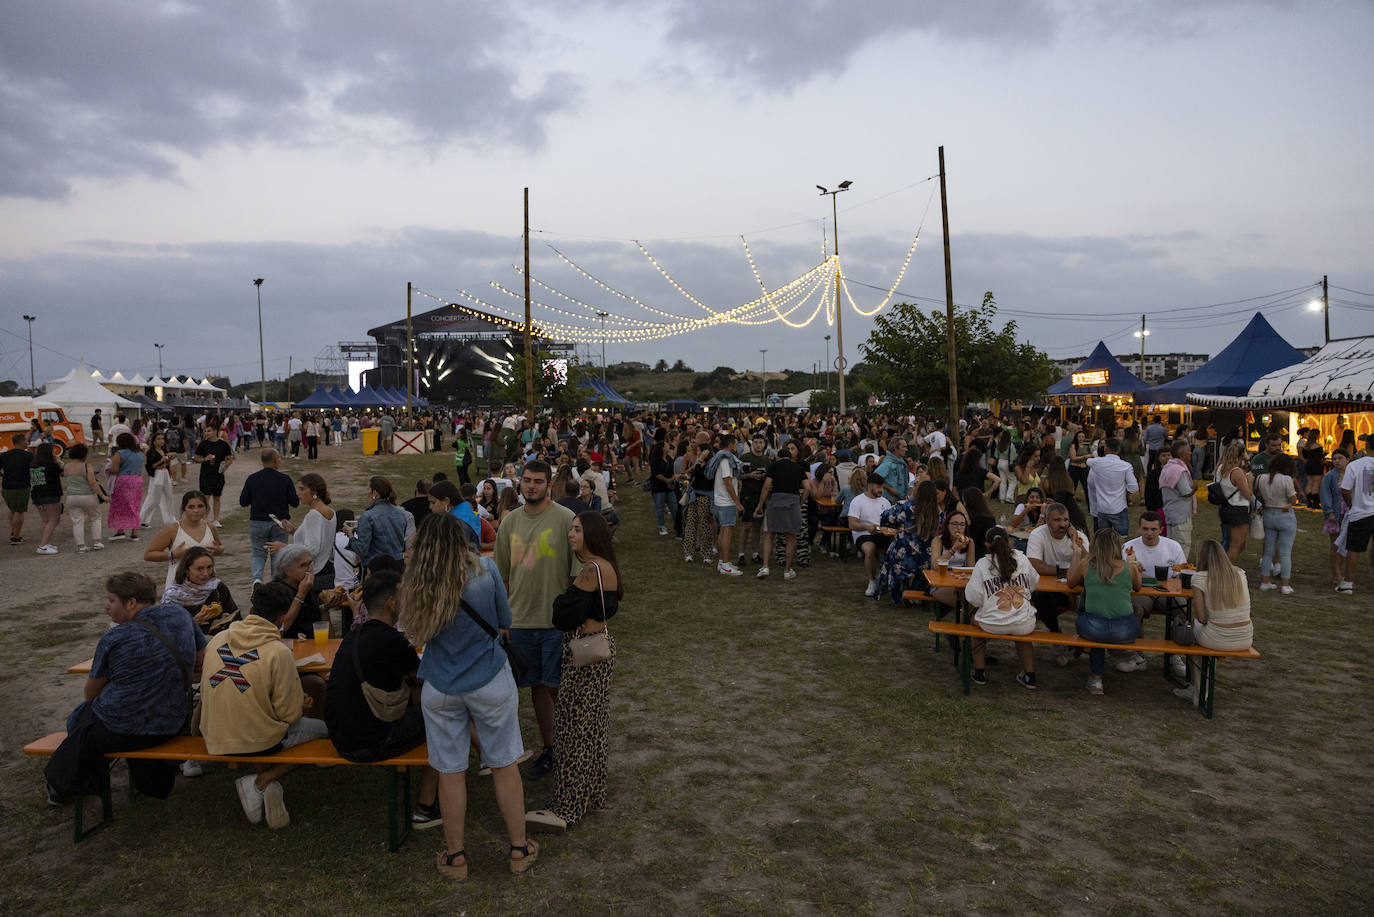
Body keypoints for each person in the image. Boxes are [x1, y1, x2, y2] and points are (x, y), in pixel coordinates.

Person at [405, 512, 539, 879]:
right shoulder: (484, 571)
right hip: (490, 678)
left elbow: (414, 632)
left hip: (440, 683)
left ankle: (456, 857)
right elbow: (505, 620)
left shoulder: (418, 580)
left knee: (450, 770)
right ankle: (518, 848)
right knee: (504, 763)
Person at [44, 572, 206, 805]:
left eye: (111, 600)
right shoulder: (180, 615)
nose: (106, 607)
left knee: (80, 719)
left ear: (131, 603)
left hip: (122, 731)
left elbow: (91, 695)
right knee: (94, 719)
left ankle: (62, 787)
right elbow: (201, 657)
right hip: (172, 722)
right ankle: (146, 778)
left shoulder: (115, 637)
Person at [200, 581, 330, 829]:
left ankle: (267, 786)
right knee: (324, 734)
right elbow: (289, 715)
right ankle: (262, 781)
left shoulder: (218, 640)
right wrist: (301, 703)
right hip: (257, 740)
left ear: (251, 610)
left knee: (261, 722)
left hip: (214, 734)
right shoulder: (277, 651)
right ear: (282, 618)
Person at [526, 511, 621, 833]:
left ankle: (567, 806)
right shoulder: (607, 567)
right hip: (598, 647)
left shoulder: (590, 570)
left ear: (591, 534)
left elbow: (561, 616)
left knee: (572, 728)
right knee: (591, 726)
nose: (571, 534)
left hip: (583, 652)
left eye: (577, 530)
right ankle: (591, 793)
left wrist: (563, 601)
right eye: (571, 529)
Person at [325, 570, 441, 826]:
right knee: (446, 719)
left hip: (341, 737)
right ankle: (426, 805)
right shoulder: (392, 641)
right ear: (391, 602)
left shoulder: (353, 636)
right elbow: (426, 677)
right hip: (370, 742)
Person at [495, 459, 577, 782]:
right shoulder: (509, 524)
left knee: (560, 689)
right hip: (520, 623)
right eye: (526, 480)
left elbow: (576, 575)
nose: (531, 486)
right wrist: (504, 619)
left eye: (538, 481)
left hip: (556, 623)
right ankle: (550, 748)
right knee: (537, 689)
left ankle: (573, 750)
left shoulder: (565, 519)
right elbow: (502, 578)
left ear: (549, 484)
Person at [1174, 540, 1253, 703]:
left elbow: (1201, 618)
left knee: (1190, 637)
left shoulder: (1200, 578)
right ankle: (1200, 688)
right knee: (1203, 636)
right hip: (1245, 637)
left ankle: (1198, 692)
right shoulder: (1240, 573)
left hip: (1217, 638)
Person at [1068, 527, 1142, 696]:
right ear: (1118, 546)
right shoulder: (1129, 567)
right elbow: (1138, 587)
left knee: (1093, 623)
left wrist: (1076, 553)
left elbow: (1070, 582)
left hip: (1094, 628)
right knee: (1105, 623)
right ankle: (1124, 655)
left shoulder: (1087, 564)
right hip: (1126, 629)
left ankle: (1096, 679)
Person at [964, 526, 1040, 689]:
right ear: (1009, 542)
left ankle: (979, 672)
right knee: (1022, 626)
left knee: (973, 622)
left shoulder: (983, 564)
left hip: (992, 624)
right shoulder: (1023, 559)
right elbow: (1034, 583)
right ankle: (1030, 676)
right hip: (1023, 624)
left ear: (986, 544)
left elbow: (973, 597)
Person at [1119, 510, 1189, 677]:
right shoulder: (1128, 547)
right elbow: (1121, 574)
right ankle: (1138, 656)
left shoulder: (1173, 546)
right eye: (1145, 529)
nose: (1149, 533)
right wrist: (1133, 570)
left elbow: (1182, 573)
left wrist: (1179, 575)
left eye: (1153, 529)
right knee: (1135, 609)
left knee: (1182, 611)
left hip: (1167, 591)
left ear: (1161, 529)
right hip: (1140, 590)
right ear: (1139, 528)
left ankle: (1175, 656)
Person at [1026, 502, 1090, 639]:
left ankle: (1085, 640)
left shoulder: (1079, 536)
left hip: (1078, 589)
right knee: (1039, 597)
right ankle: (1056, 634)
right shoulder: (1038, 534)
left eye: (1066, 520)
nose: (1063, 524)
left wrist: (1076, 543)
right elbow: (1035, 565)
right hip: (1052, 590)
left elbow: (1091, 565)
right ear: (1047, 521)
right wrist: (1067, 572)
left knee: (1092, 598)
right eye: (1057, 520)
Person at [237, 448, 298, 584]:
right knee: (278, 554)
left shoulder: (252, 479)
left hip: (257, 522)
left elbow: (243, 502)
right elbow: (295, 502)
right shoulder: (285, 479)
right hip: (280, 523)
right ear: (276, 460)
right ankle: (275, 582)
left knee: (258, 553)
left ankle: (257, 579)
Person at [144, 491, 223, 592]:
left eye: (200, 506)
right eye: (191, 507)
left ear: (206, 508)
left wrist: (219, 550)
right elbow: (148, 555)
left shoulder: (211, 528)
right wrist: (172, 554)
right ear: (184, 509)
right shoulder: (172, 530)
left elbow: (219, 547)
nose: (196, 510)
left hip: (207, 583)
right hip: (180, 586)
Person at [270, 472, 336, 591]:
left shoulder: (314, 515)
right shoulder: (330, 511)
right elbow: (320, 538)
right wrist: (294, 531)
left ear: (314, 491)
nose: (298, 493)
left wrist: (284, 548)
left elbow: (313, 548)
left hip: (315, 570)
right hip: (327, 567)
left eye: (302, 489)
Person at [753, 440, 805, 580]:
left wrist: (760, 504)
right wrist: (801, 501)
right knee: (791, 537)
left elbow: (766, 486)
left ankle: (765, 566)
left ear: (779, 457)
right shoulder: (798, 468)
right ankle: (787, 570)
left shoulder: (774, 466)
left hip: (776, 500)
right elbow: (808, 487)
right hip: (793, 502)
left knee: (769, 534)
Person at [162, 546, 239, 635]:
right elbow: (166, 631)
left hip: (222, 642)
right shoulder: (173, 597)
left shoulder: (218, 588)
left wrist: (227, 618)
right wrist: (192, 622)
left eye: (209, 567)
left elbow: (236, 615)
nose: (206, 573)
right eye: (200, 569)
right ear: (187, 570)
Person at [1255, 453, 1300, 594]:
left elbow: (1258, 494)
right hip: (1285, 515)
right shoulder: (1286, 479)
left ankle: (1265, 582)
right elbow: (1293, 500)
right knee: (1285, 553)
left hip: (1269, 514)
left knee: (1268, 551)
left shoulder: (1261, 478)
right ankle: (1285, 585)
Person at [1337, 434, 1374, 595]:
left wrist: (1351, 504)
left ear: (1366, 445)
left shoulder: (1355, 465)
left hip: (1360, 512)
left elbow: (1345, 490)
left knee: (1353, 548)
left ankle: (1348, 582)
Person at [349, 476, 412, 568]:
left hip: (377, 566)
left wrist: (350, 535)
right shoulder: (401, 512)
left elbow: (362, 550)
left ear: (375, 493)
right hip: (398, 565)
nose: (367, 492)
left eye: (368, 489)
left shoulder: (368, 516)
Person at [705, 434, 746, 576]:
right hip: (726, 501)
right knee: (727, 532)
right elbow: (727, 482)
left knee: (723, 531)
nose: (737, 447)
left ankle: (723, 562)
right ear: (730, 445)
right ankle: (725, 565)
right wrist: (737, 502)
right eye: (736, 444)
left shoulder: (720, 458)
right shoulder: (726, 459)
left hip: (719, 500)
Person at [848, 472, 893, 598]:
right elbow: (852, 524)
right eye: (878, 487)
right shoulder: (857, 501)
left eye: (882, 487)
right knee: (870, 549)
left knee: (898, 545)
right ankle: (872, 581)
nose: (881, 490)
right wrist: (867, 527)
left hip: (882, 533)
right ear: (870, 486)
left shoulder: (885, 501)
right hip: (863, 533)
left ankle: (890, 578)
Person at [1086, 437, 1138, 536]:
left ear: (1105, 448)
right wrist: (1124, 493)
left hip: (1102, 508)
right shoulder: (1125, 466)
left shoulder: (1096, 462)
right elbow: (1134, 488)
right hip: (1119, 506)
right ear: (1119, 449)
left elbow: (1088, 461)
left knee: (1104, 539)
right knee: (1122, 539)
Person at [1215, 441, 1254, 564]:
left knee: (1229, 542)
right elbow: (1247, 495)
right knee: (1236, 545)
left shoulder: (1221, 468)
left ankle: (1221, 566)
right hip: (1238, 510)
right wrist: (1250, 481)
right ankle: (1226, 571)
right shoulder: (1237, 472)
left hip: (1225, 508)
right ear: (1242, 454)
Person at [735, 434, 770, 567]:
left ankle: (755, 553)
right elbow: (737, 475)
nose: (758, 445)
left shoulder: (767, 460)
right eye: (755, 442)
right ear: (752, 444)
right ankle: (741, 554)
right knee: (746, 526)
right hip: (747, 495)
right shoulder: (744, 458)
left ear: (764, 444)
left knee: (757, 526)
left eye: (761, 442)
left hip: (760, 497)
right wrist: (750, 475)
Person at [62, 443, 105, 552]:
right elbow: (92, 483)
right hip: (88, 495)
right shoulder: (86, 466)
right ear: (84, 454)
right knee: (95, 517)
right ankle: (97, 542)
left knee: (77, 521)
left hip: (71, 497)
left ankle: (81, 546)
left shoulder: (66, 467)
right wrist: (103, 496)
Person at [1158, 440, 1196, 557]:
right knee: (1182, 546)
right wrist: (1194, 488)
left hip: (1171, 511)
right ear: (1182, 454)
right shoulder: (1179, 470)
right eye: (1189, 451)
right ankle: (1178, 572)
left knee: (1172, 547)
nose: (1191, 454)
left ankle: (1172, 571)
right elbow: (1186, 492)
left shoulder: (1168, 467)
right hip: (1181, 515)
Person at [106, 432, 146, 541]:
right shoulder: (140, 454)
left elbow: (114, 470)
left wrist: (108, 468)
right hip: (137, 480)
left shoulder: (120, 453)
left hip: (123, 481)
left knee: (120, 506)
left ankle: (120, 530)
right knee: (134, 505)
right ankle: (134, 533)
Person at [193, 424, 232, 526]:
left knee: (217, 497)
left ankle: (215, 520)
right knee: (205, 497)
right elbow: (196, 459)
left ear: (215, 431)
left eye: (209, 431)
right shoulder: (203, 444)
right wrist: (205, 459)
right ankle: (204, 520)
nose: (206, 433)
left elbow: (230, 458)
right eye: (205, 431)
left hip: (218, 474)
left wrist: (225, 466)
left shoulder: (223, 445)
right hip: (205, 474)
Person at [1321, 449, 1350, 588]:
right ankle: (1336, 575)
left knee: (1345, 545)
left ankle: (1340, 572)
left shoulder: (1351, 474)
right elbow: (1325, 495)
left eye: (1340, 458)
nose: (1337, 461)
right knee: (1335, 545)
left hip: (1349, 514)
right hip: (1335, 513)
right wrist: (1329, 512)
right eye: (1335, 458)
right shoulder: (1330, 476)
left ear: (1347, 459)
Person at [29, 442, 63, 554]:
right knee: (53, 519)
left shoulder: (33, 464)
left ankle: (45, 542)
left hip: (37, 495)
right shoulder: (51, 465)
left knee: (46, 520)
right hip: (50, 494)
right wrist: (58, 461)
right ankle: (42, 545)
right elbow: (62, 472)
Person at [137, 430, 176, 529]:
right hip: (157, 475)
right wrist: (161, 461)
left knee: (169, 496)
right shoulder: (151, 452)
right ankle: (143, 520)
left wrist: (168, 460)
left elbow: (166, 464)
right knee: (153, 498)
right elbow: (150, 466)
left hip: (165, 473)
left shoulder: (163, 450)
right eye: (159, 439)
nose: (161, 441)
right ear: (154, 441)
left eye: (162, 439)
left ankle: (170, 519)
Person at [2, 432, 33, 545]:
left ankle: (13, 531)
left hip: (6, 487)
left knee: (12, 509)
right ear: (21, 442)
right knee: (19, 511)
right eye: (26, 440)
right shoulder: (28, 456)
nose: (27, 442)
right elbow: (35, 469)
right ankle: (16, 538)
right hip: (21, 486)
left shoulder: (4, 455)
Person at [648, 435, 675, 537]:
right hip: (658, 487)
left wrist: (670, 480)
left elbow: (672, 469)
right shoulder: (655, 459)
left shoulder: (669, 458)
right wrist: (667, 480)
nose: (669, 446)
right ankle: (662, 526)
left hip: (669, 487)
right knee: (660, 508)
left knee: (674, 506)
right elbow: (656, 474)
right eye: (667, 445)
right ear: (663, 448)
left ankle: (677, 525)